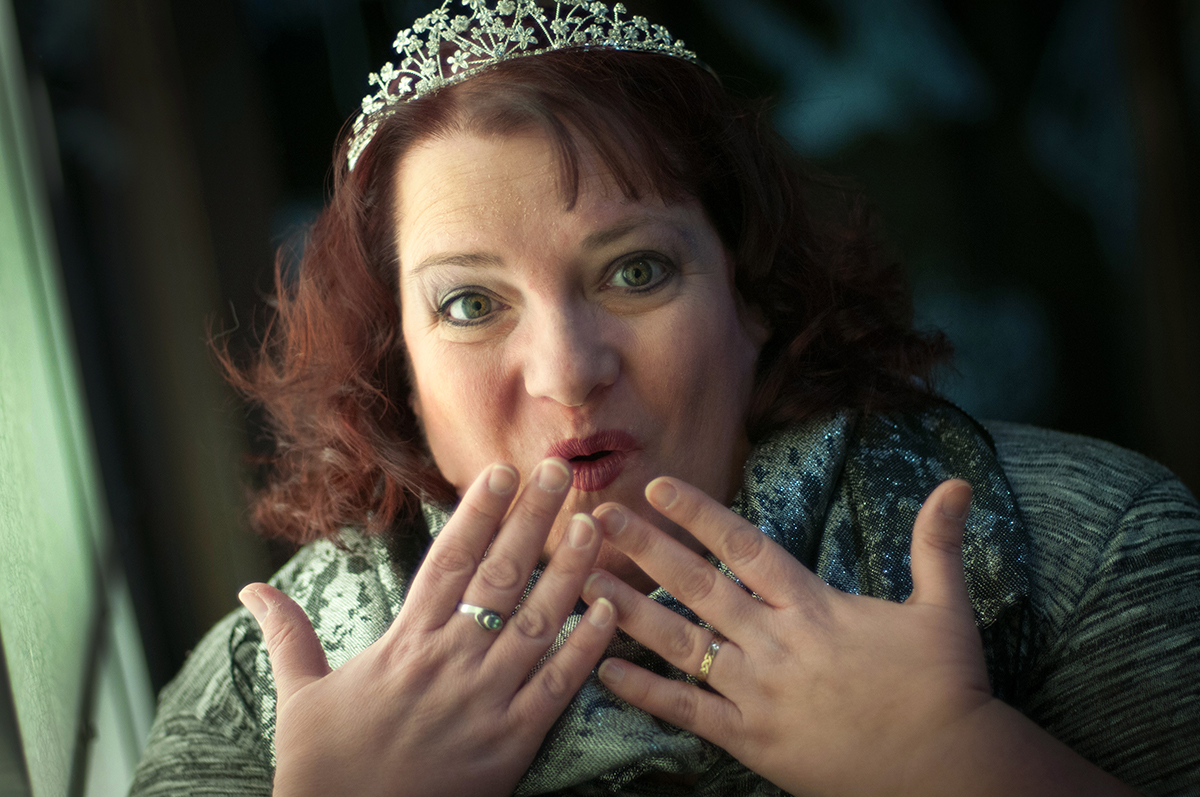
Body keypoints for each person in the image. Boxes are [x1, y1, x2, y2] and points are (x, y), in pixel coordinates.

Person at [129, 1, 1200, 795]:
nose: (567, 370)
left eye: (634, 272)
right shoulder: (272, 694)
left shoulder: (1087, 549)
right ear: (393, 360)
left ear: (754, 292)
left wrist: (958, 762)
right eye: (468, 302)